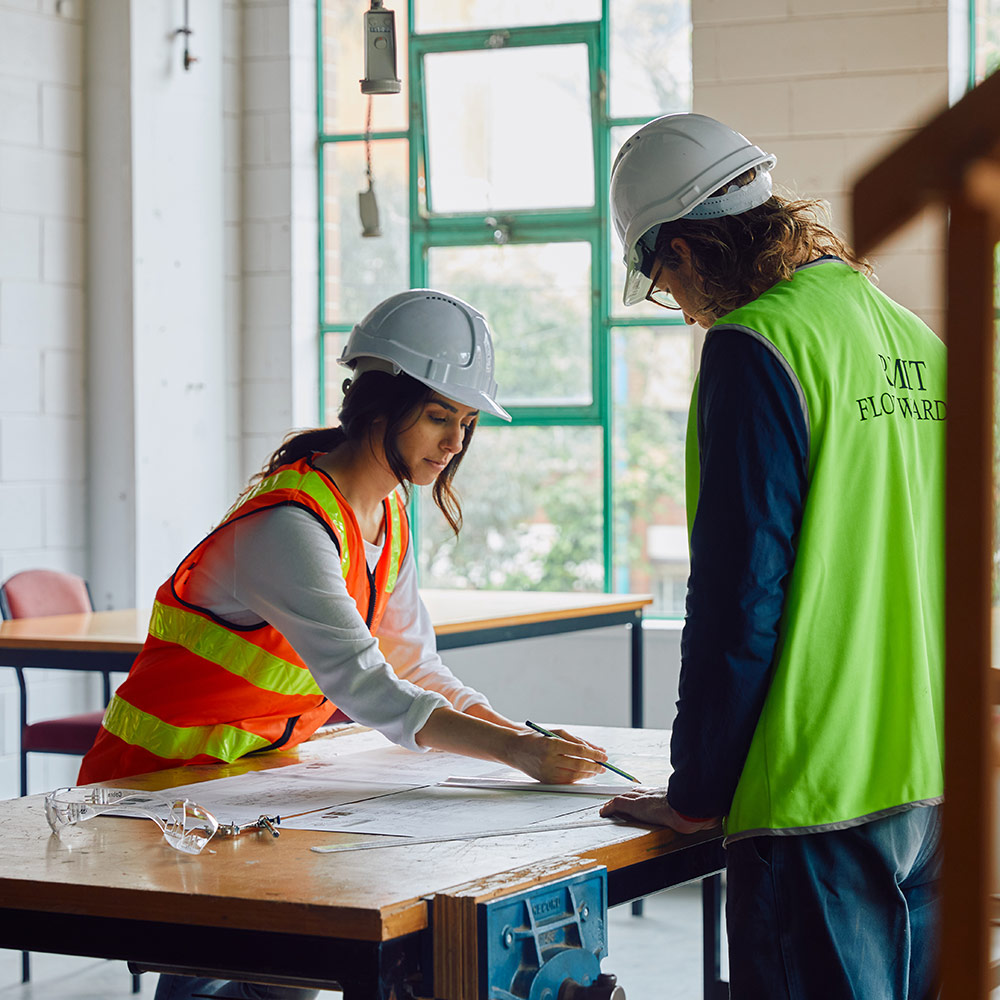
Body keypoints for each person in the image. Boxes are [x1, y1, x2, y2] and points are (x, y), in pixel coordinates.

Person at [77, 288, 608, 1000]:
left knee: (289, 977)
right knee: (228, 971)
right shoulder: (290, 527)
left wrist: (521, 736)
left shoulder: (388, 513)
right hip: (153, 792)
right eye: (439, 416)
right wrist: (516, 754)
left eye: (467, 422)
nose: (455, 443)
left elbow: (416, 665)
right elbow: (368, 687)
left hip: (242, 788)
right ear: (380, 407)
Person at [599, 113, 945, 999]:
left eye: (661, 281)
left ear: (683, 248)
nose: (681, 308)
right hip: (933, 779)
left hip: (815, 791)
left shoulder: (756, 344)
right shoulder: (915, 342)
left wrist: (696, 789)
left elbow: (738, 597)